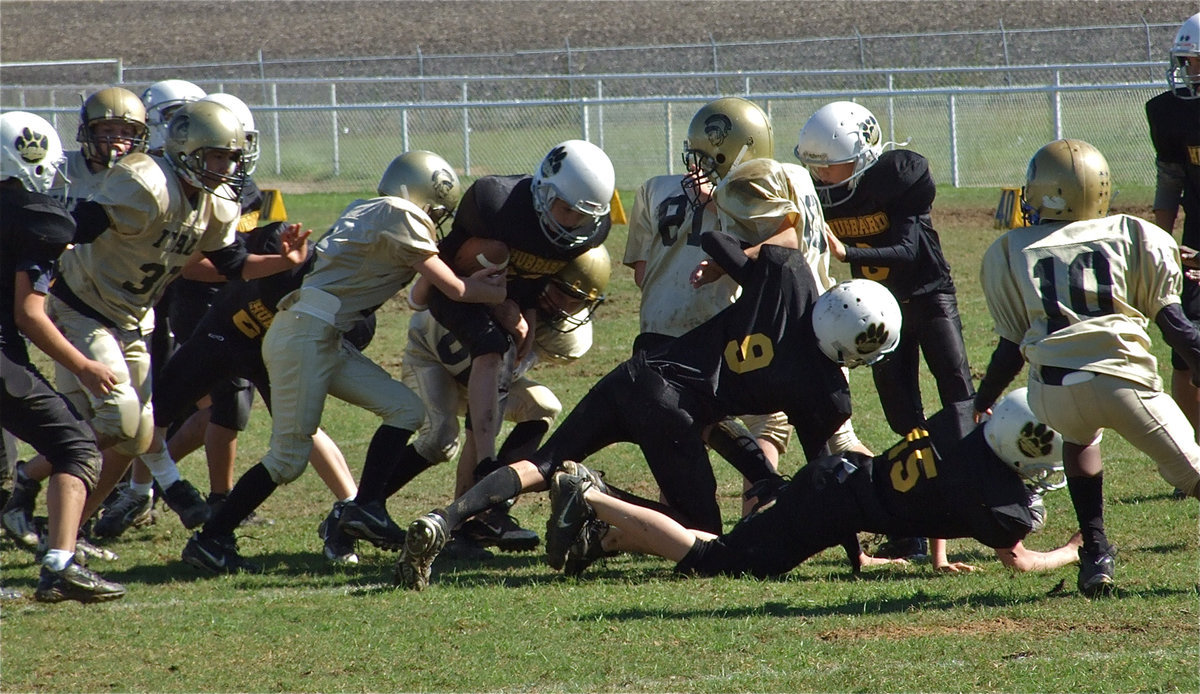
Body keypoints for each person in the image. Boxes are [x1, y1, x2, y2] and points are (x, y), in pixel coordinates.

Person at [394, 220, 902, 591]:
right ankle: (595, 499)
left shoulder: (790, 277)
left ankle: (444, 518)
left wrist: (743, 250)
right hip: (675, 410)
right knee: (701, 535)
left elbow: (719, 241)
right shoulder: (824, 388)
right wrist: (857, 555)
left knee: (541, 462)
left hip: (641, 370)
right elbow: (828, 478)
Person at [181, 150, 507, 574]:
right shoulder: (400, 214)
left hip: (321, 333)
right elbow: (456, 290)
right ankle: (211, 539)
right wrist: (499, 293)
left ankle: (365, 506)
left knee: (406, 409)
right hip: (305, 333)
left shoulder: (371, 209)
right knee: (287, 459)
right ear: (421, 195)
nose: (436, 217)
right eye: (436, 207)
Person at [39, 99, 309, 543]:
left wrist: (283, 262)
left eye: (230, 157)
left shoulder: (216, 202)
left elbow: (232, 262)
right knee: (121, 421)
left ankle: (71, 532)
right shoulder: (146, 181)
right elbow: (78, 226)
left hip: (131, 317)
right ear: (186, 150)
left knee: (137, 434)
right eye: (216, 156)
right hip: (83, 306)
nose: (225, 166)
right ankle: (30, 477)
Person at [975, 138, 1200, 597]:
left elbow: (1008, 347)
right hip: (1123, 382)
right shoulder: (1134, 234)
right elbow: (1175, 327)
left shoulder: (1009, 248)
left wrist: (982, 400)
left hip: (1053, 392)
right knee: (1194, 474)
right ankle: (1095, 551)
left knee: (1080, 437)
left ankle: (1095, 551)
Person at [543, 391, 1083, 581]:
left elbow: (934, 490)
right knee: (716, 557)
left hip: (838, 479)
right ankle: (589, 494)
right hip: (831, 503)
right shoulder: (998, 497)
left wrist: (929, 560)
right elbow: (1019, 560)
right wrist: (1070, 551)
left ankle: (603, 537)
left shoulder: (965, 428)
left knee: (725, 549)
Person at [627, 97, 868, 516]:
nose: (697, 166)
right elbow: (795, 243)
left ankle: (684, 528)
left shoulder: (661, 188)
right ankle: (758, 525)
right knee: (786, 428)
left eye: (708, 157)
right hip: (798, 320)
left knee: (679, 432)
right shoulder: (790, 178)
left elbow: (641, 273)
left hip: (692, 327)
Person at [378, 244, 611, 555]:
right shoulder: (499, 284)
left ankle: (485, 514)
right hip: (431, 357)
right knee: (440, 439)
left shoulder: (568, 335)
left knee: (542, 406)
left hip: (484, 374)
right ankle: (363, 504)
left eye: (577, 300)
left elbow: (503, 377)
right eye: (559, 291)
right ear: (542, 276)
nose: (564, 305)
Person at [422, 140, 614, 496]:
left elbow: (534, 275)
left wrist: (524, 316)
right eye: (567, 210)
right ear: (545, 190)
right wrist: (495, 305)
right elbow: (443, 264)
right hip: (463, 293)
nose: (574, 224)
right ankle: (487, 464)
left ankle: (479, 509)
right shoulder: (495, 203)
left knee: (502, 390)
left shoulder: (590, 233)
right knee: (491, 349)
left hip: (507, 302)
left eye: (584, 216)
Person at [1, 87, 148, 548]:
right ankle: (58, 554)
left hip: (124, 313)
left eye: (126, 133)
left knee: (130, 430)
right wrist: (83, 364)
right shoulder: (43, 220)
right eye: (107, 131)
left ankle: (62, 530)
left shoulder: (144, 178)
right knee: (82, 439)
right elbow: (29, 313)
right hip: (65, 315)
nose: (117, 142)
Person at [795, 101, 976, 440]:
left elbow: (908, 251)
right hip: (878, 304)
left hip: (927, 293)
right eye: (815, 166)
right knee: (899, 409)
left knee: (958, 391)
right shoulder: (815, 190)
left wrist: (844, 252)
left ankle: (973, 469)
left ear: (863, 155)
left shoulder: (895, 178)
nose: (821, 175)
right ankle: (922, 475)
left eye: (830, 166)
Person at [1146, 13, 1200, 442]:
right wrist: (1159, 245)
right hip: (1195, 248)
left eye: (1197, 61)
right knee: (1186, 354)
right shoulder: (1171, 112)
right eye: (1186, 61)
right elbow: (1170, 181)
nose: (1189, 71)